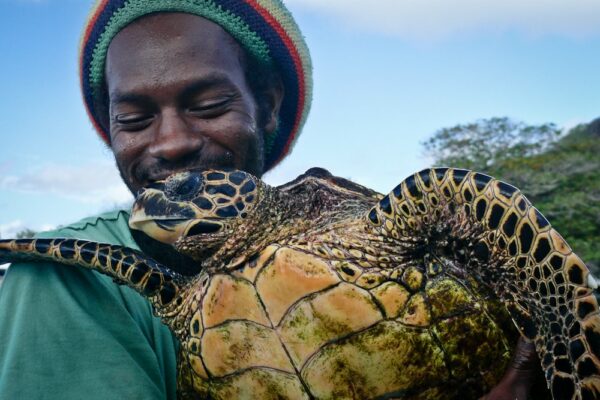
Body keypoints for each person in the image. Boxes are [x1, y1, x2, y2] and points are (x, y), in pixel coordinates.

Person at [0, 1, 542, 399]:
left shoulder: (380, 224)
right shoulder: (72, 280)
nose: (170, 143)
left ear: (268, 105)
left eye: (209, 104)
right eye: (134, 119)